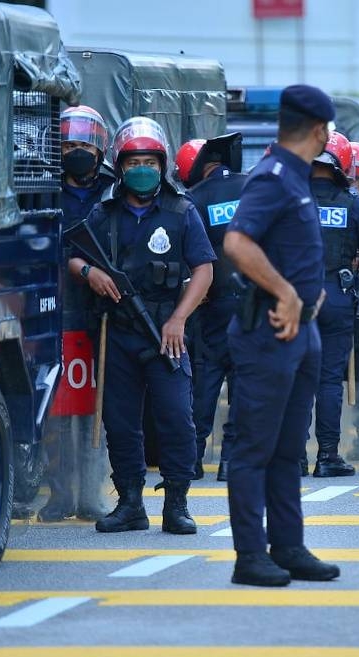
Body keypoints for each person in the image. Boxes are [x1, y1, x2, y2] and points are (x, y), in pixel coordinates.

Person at [68, 116, 215, 535]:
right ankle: (130, 502)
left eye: (149, 161)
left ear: (163, 163)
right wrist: (88, 274)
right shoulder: (104, 213)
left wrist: (178, 319)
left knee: (176, 418)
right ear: (120, 165)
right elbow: (74, 255)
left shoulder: (182, 211)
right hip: (117, 331)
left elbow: (204, 271)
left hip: (166, 334)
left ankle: (177, 503)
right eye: (133, 163)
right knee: (120, 421)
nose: (141, 170)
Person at [223, 84, 341, 587]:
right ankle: (250, 555)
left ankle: (287, 545)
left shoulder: (295, 177)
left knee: (291, 446)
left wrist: (306, 299)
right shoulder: (273, 177)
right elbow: (236, 241)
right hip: (269, 330)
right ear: (319, 130)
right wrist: (286, 293)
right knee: (255, 447)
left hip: (301, 332)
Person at [39, 105, 115, 523]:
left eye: (84, 143)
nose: (76, 151)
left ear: (100, 147)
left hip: (102, 310)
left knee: (97, 406)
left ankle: (92, 494)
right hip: (54, 308)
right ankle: (59, 495)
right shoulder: (44, 188)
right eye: (67, 144)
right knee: (56, 405)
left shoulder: (114, 190)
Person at [176, 133, 247, 482]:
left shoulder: (192, 200)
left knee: (205, 380)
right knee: (244, 381)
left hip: (210, 305)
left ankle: (193, 457)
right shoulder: (253, 188)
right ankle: (231, 460)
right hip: (253, 305)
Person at [309, 131, 359, 477]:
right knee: (329, 380)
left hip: (297, 296)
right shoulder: (353, 203)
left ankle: (291, 456)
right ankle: (327, 456)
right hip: (336, 294)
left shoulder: (294, 200)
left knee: (297, 377)